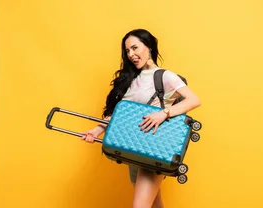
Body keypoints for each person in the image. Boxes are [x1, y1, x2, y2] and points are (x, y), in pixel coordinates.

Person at [81, 29, 201, 208]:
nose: (131, 54)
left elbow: (194, 100)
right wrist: (97, 131)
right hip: (134, 147)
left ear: (149, 47)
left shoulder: (164, 76)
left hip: (154, 149)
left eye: (135, 48)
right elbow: (121, 115)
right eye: (127, 51)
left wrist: (163, 113)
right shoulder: (131, 79)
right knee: (154, 205)